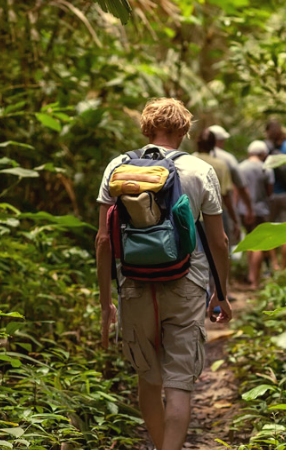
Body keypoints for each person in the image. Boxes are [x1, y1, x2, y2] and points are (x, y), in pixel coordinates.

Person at [95, 98, 233, 450]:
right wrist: (221, 293)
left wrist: (105, 304)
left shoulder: (118, 166)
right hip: (185, 283)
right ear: (185, 131)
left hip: (135, 284)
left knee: (148, 380)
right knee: (179, 385)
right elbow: (219, 241)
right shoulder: (200, 171)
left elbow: (103, 241)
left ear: (146, 128)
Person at [208, 125, 255, 245]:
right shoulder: (228, 159)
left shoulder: (194, 157)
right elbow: (241, 187)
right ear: (220, 141)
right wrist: (249, 208)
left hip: (198, 212)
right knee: (223, 245)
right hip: (223, 210)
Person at [237, 140, 273, 289]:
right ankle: (255, 281)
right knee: (257, 244)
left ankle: (251, 276)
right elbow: (269, 191)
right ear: (263, 154)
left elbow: (236, 189)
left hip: (243, 210)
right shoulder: (266, 168)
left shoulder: (240, 167)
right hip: (260, 209)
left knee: (249, 241)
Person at [194, 128, 239, 244]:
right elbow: (226, 195)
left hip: (192, 216)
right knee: (220, 251)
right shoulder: (220, 165)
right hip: (216, 217)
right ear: (214, 144)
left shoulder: (187, 161)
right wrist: (235, 220)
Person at [265, 119, 286, 270]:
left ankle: (274, 264)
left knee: (269, 230)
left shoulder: (266, 147)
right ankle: (284, 269)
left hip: (272, 195)